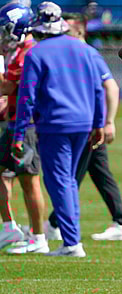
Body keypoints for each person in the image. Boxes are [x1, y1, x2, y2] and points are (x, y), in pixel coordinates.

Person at [13, 1, 105, 257]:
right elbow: (98, 90)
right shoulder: (85, 50)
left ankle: (72, 243)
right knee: (68, 182)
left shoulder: (36, 53)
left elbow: (27, 98)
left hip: (55, 125)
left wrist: (19, 135)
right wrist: (99, 122)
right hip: (84, 123)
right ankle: (71, 238)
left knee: (59, 182)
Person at [43, 12, 122, 242]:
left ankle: (55, 224)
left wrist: (108, 121)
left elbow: (111, 87)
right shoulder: (73, 54)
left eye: (68, 29)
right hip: (87, 124)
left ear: (80, 30)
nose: (63, 32)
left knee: (72, 173)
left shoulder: (87, 54)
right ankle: (120, 223)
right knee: (94, 172)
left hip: (89, 126)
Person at [0, 2, 48, 254]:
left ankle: (38, 236)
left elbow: (6, 87)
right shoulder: (19, 49)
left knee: (30, 182)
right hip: (14, 121)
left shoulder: (28, 51)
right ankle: (9, 226)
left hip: (26, 125)